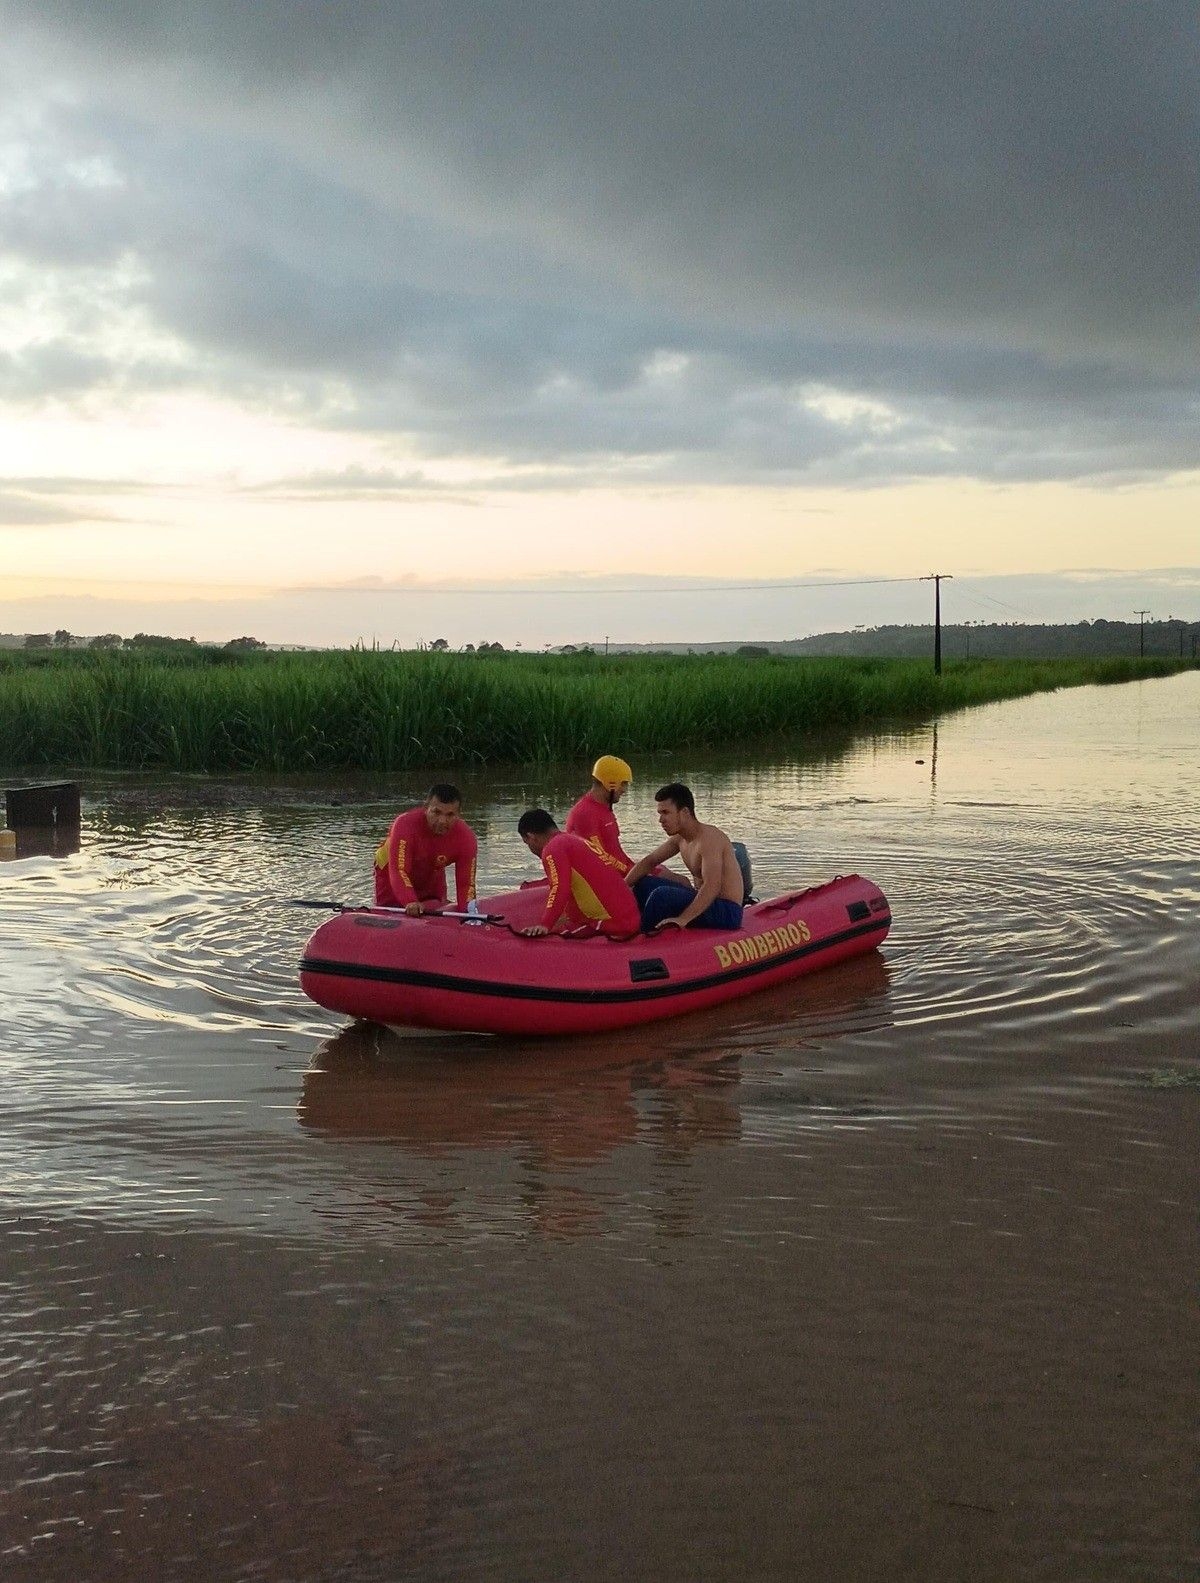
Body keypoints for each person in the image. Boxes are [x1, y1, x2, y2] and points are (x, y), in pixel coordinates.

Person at [625, 782, 744, 931]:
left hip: (727, 912)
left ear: (685, 812)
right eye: (660, 813)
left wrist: (683, 919)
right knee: (644, 884)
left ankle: (640, 938)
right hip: (705, 902)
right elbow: (650, 861)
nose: (661, 820)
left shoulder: (709, 839)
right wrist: (623, 887)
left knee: (662, 896)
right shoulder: (680, 839)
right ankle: (631, 926)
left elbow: (712, 886)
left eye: (666, 813)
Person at [516, 809, 642, 937]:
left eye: (527, 844)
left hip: (613, 924)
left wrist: (545, 925)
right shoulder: (575, 840)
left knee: (548, 939)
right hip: (629, 918)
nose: (531, 849)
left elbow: (560, 888)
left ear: (531, 837)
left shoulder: (552, 848)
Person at [374, 783, 478, 915]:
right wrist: (410, 901)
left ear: (458, 814)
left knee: (437, 907)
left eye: (450, 815)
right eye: (436, 812)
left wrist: (470, 915)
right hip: (390, 869)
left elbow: (466, 885)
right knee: (394, 912)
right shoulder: (404, 824)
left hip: (433, 867)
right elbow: (399, 870)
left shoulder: (466, 838)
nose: (442, 821)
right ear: (426, 808)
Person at [565, 754, 634, 873]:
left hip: (619, 872)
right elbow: (601, 856)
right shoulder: (585, 813)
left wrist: (638, 868)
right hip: (603, 879)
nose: (624, 790)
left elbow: (616, 851)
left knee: (661, 872)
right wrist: (631, 872)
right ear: (610, 782)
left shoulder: (604, 809)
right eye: (623, 783)